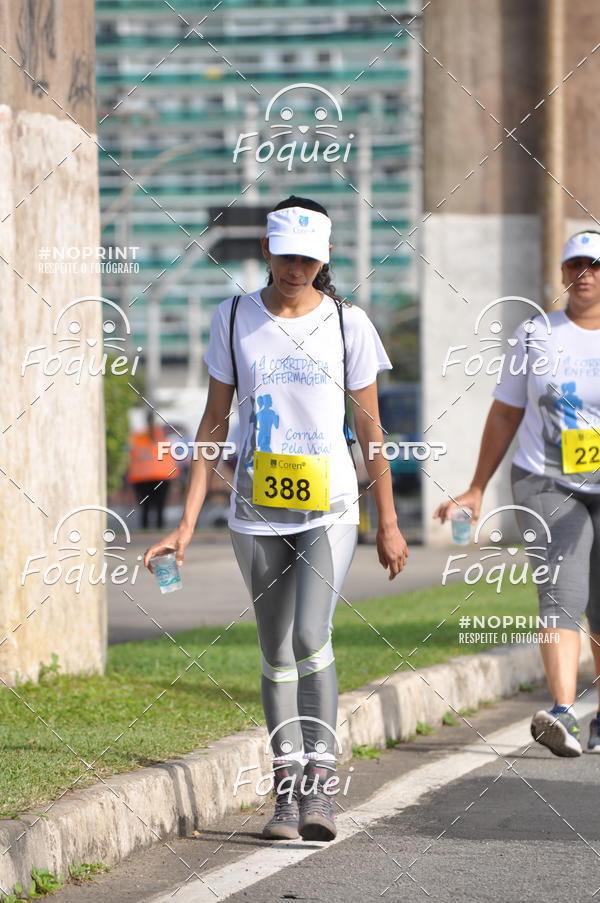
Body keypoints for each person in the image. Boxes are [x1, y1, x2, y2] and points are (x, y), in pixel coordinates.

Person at [144, 195, 408, 840]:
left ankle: (320, 790)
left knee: (310, 635)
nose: (297, 268)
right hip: (254, 511)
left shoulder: (349, 323)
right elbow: (213, 426)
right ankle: (285, 792)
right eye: (287, 255)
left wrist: (390, 519)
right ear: (266, 251)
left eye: (309, 258)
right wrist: (183, 525)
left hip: (331, 505)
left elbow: (370, 429)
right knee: (274, 649)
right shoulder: (234, 317)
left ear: (325, 259)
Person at [434, 230, 600, 757]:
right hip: (544, 479)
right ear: (563, 274)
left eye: (595, 266)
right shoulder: (535, 334)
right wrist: (477, 487)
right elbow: (507, 410)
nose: (585, 275)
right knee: (562, 593)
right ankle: (563, 714)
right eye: (576, 265)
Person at [128, 411, 180, 529]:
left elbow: (132, 455)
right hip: (159, 477)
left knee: (146, 507)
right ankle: (158, 529)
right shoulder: (163, 436)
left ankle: (147, 529)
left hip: (143, 477)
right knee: (159, 506)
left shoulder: (138, 437)